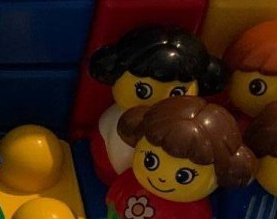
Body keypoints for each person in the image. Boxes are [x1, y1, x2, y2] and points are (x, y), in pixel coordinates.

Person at [104, 96, 256, 219]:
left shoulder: (194, 210)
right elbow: (114, 193)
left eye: (183, 176)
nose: (162, 177)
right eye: (151, 161)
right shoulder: (133, 179)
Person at [87, 25, 225, 184]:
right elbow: (119, 162)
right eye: (142, 90)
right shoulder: (121, 120)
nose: (159, 102)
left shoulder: (185, 127)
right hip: (119, 180)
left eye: (177, 93)